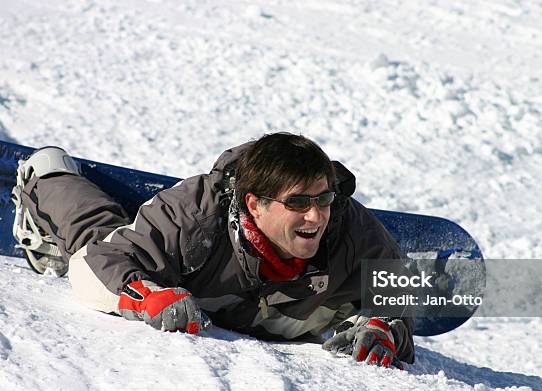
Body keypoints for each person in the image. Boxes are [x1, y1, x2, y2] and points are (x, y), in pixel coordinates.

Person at [12, 132, 414, 367]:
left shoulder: (351, 227)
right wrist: (144, 297)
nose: (316, 216)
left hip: (263, 306)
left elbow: (408, 288)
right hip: (173, 257)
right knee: (94, 237)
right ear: (254, 204)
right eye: (297, 203)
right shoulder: (194, 213)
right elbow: (99, 264)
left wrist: (387, 324)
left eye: (322, 200)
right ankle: (48, 175)